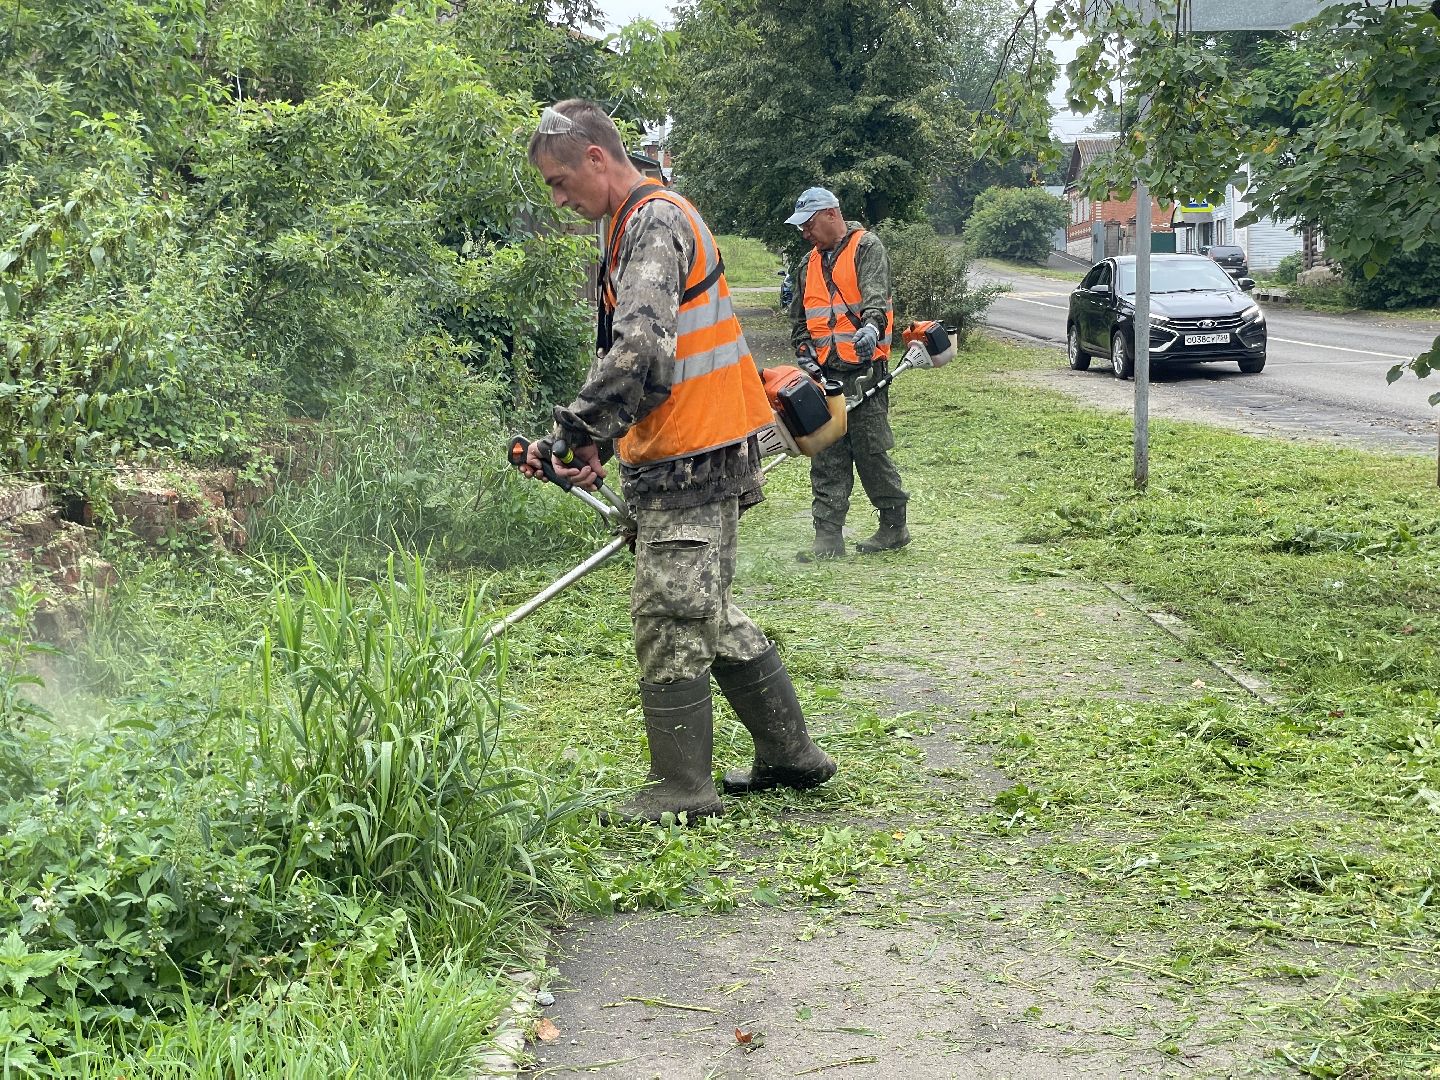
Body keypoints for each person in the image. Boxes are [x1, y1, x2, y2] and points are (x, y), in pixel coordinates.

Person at [523, 99, 836, 824]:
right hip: (683, 450)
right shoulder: (626, 224)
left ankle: (681, 788)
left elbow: (640, 351)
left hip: (693, 457)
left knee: (669, 613)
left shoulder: (655, 222)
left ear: (598, 158)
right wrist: (601, 443)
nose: (560, 198)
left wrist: (570, 433)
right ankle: (792, 755)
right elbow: (647, 365)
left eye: (561, 182)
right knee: (705, 610)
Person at [786, 187, 910, 561]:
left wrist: (872, 328)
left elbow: (875, 297)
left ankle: (893, 526)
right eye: (802, 229)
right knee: (826, 452)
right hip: (826, 375)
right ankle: (827, 537)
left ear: (830, 215)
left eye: (808, 225)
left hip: (865, 370)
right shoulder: (806, 264)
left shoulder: (867, 248)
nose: (805, 234)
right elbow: (799, 319)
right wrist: (804, 350)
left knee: (870, 450)